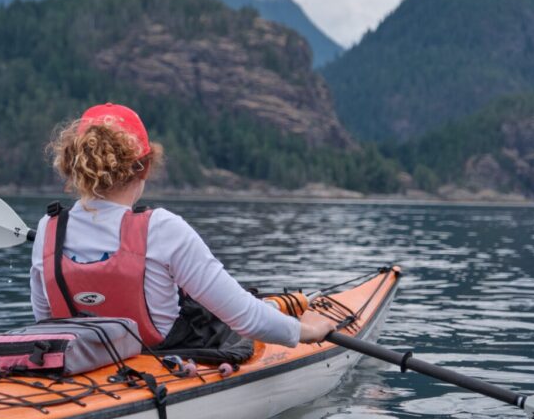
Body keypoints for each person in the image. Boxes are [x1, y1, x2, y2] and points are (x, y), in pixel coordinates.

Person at [29, 103, 337, 354]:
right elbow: (248, 320)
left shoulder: (49, 229)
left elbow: (47, 321)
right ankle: (280, 309)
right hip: (165, 357)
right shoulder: (161, 228)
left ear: (73, 165)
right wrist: (309, 331)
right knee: (225, 316)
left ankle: (272, 306)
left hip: (83, 365)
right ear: (145, 166)